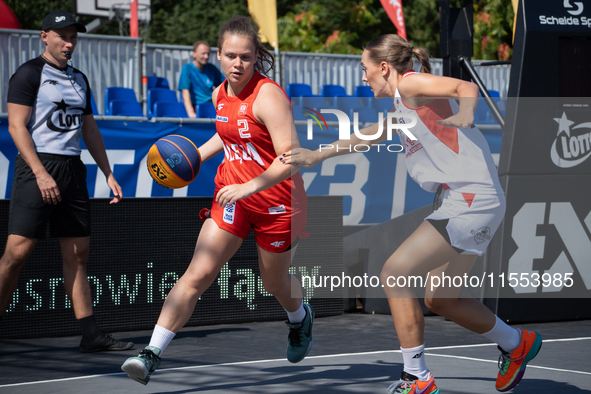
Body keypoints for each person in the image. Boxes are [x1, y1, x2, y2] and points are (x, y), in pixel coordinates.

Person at [283, 34, 542, 394]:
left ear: (384, 67)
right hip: (468, 199)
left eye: (365, 68)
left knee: (394, 272)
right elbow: (371, 135)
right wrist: (316, 155)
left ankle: (416, 377)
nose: (363, 76)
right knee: (441, 298)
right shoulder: (402, 104)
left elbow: (465, 86)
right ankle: (517, 344)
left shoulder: (411, 83)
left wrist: (466, 111)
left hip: (470, 199)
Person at [121, 16, 311, 385]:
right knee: (199, 273)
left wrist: (250, 186)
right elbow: (228, 136)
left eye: (245, 56)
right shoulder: (219, 93)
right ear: (218, 55)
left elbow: (291, 157)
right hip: (232, 196)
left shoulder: (268, 95)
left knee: (273, 282)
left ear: (257, 56)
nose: (237, 64)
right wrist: (192, 156)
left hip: (276, 202)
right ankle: (151, 354)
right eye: (230, 56)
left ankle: (300, 317)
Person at [0, 10, 133, 353]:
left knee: (78, 253)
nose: (69, 42)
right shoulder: (28, 74)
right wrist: (41, 173)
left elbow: (89, 129)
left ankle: (90, 335)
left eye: (73, 36)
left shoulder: (79, 79)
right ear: (44, 36)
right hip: (37, 167)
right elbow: (16, 127)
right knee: (16, 254)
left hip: (73, 169)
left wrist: (108, 172)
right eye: (62, 35)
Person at [178, 40, 224, 118]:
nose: (206, 57)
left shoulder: (212, 68)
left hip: (213, 105)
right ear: (194, 54)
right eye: (203, 53)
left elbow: (225, 85)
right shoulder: (187, 68)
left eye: (208, 54)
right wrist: (191, 113)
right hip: (197, 107)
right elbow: (185, 92)